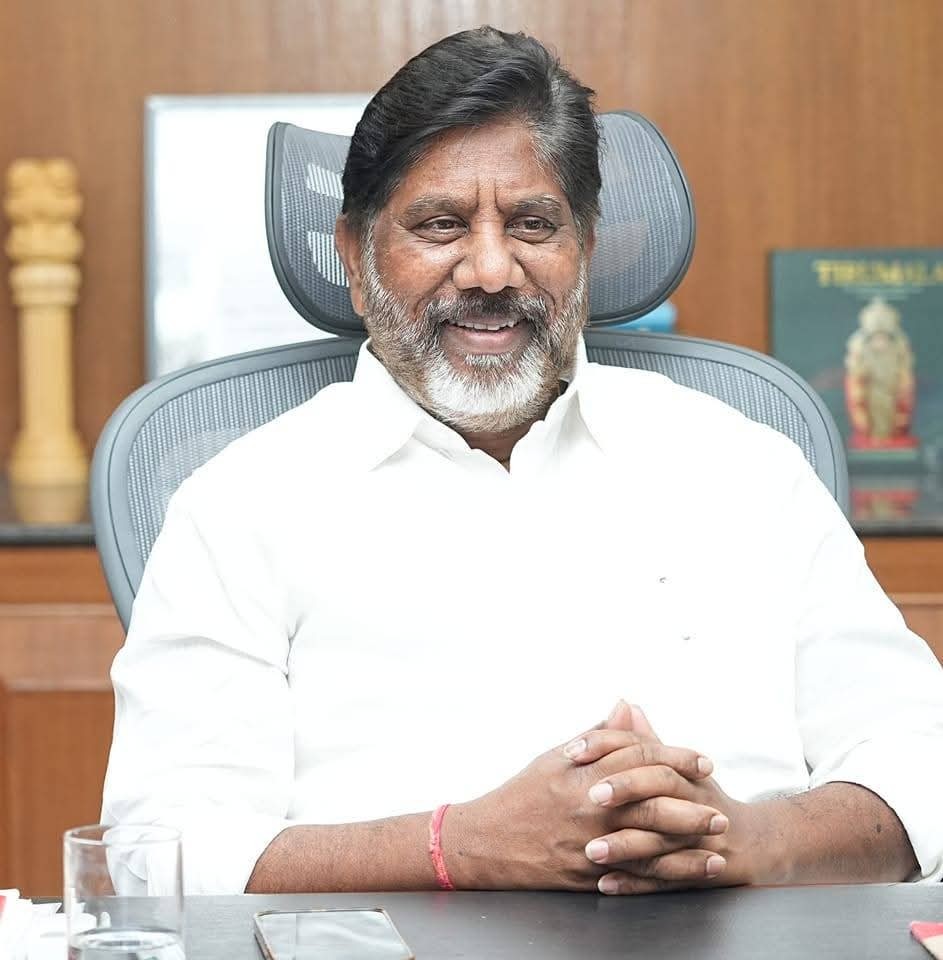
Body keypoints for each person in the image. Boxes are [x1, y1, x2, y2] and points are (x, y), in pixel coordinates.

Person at [102, 26, 943, 897]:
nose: (491, 269)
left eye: (533, 225)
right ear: (352, 254)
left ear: (585, 247)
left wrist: (751, 842)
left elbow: (919, 760)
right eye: (440, 225)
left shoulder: (741, 463)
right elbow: (159, 848)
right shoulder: (242, 502)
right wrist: (455, 848)